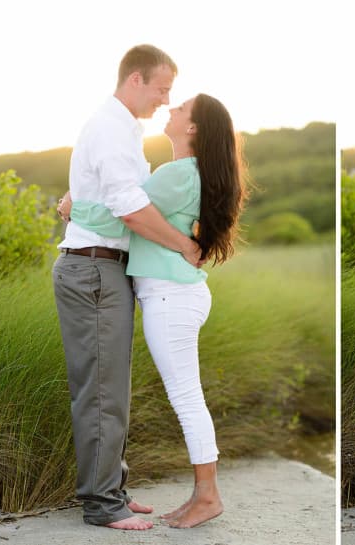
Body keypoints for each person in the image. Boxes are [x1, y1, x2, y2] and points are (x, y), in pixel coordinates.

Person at [51, 44, 202, 531]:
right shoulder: (112, 128)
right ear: (135, 80)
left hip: (106, 269)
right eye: (162, 89)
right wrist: (184, 244)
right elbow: (131, 209)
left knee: (111, 388)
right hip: (93, 269)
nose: (164, 99)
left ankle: (112, 488)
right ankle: (101, 504)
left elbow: (113, 199)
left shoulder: (124, 130)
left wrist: (76, 202)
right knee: (100, 392)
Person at [123, 93, 248, 529]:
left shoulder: (178, 174)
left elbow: (122, 211)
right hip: (175, 293)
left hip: (169, 296)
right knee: (186, 396)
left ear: (192, 128)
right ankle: (200, 495)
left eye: (180, 109)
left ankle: (208, 495)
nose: (170, 110)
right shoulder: (188, 173)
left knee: (186, 397)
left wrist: (70, 207)